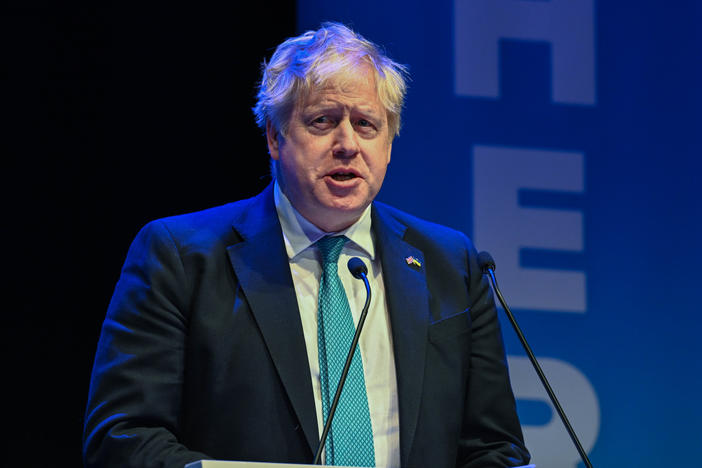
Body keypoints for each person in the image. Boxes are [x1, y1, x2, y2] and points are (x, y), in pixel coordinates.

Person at [83, 22, 530, 468]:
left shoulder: (451, 264)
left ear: (389, 145)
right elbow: (122, 439)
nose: (348, 145)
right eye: (323, 121)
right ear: (275, 138)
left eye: (367, 125)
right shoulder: (180, 258)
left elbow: (494, 448)